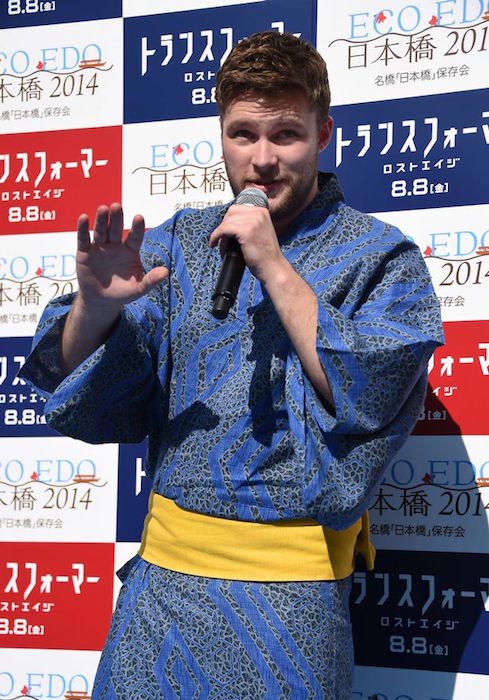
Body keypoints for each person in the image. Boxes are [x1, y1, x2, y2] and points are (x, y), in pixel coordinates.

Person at [20, 31, 443, 700]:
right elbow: (81, 383)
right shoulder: (181, 240)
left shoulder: (381, 256)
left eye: (286, 135)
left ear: (323, 133)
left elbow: (372, 392)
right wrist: (94, 310)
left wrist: (271, 263)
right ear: (219, 134)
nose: (262, 159)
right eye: (243, 134)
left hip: (292, 602)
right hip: (162, 593)